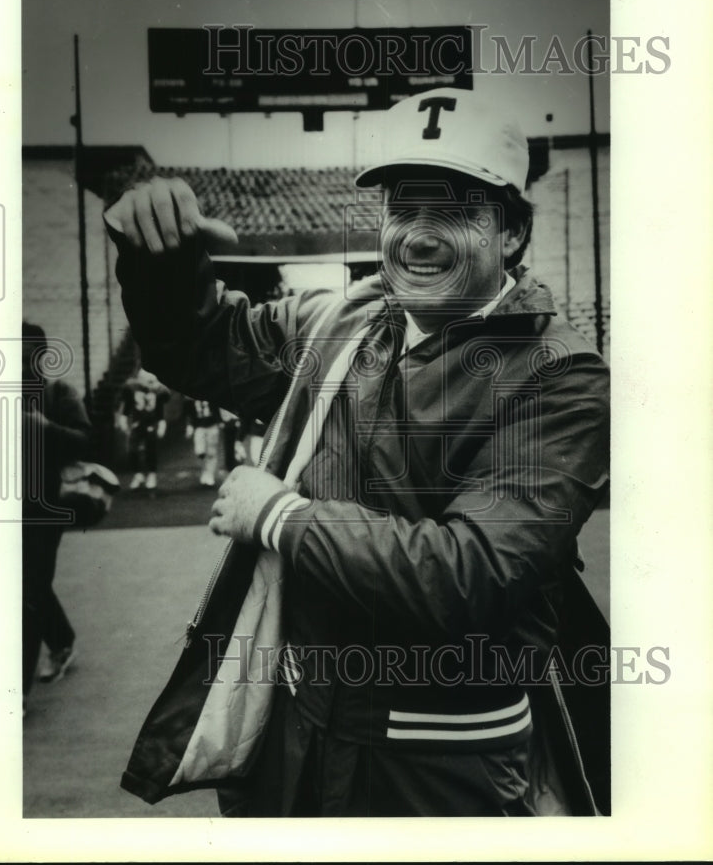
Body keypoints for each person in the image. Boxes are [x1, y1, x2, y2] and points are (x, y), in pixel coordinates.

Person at [105, 87, 610, 816]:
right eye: (403, 208)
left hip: (446, 761)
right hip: (299, 734)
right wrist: (163, 258)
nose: (420, 235)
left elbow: (470, 575)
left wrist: (280, 517)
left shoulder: (559, 370)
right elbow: (201, 347)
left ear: (512, 234)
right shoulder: (343, 319)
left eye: (457, 211)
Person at [21, 322, 92, 705]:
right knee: (28, 586)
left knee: (27, 590)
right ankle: (62, 641)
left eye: (26, 354)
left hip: (47, 507)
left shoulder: (59, 394)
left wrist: (44, 427)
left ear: (41, 355)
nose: (18, 364)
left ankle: (16, 691)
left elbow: (85, 440)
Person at [119, 367, 169, 490]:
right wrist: (123, 420)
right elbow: (127, 408)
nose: (152, 384)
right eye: (150, 381)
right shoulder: (132, 389)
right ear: (140, 380)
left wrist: (161, 424)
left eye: (153, 381)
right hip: (136, 424)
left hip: (151, 425)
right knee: (132, 450)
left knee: (151, 449)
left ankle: (152, 474)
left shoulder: (158, 392)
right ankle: (138, 474)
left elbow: (160, 411)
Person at [183, 397, 223, 487]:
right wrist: (189, 426)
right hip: (199, 427)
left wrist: (220, 421)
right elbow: (188, 414)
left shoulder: (211, 395)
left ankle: (209, 475)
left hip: (212, 426)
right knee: (200, 452)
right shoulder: (189, 400)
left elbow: (216, 409)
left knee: (211, 452)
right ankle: (204, 471)